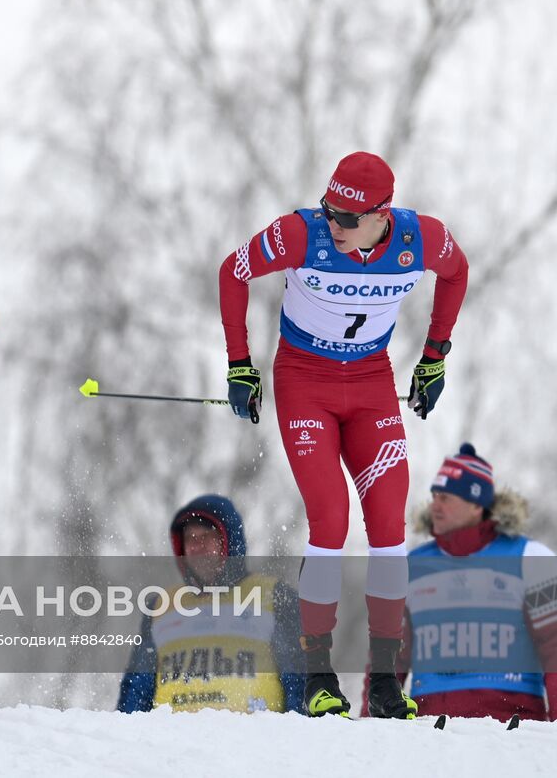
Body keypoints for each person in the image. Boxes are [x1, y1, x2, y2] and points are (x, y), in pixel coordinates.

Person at [218, 151, 469, 718]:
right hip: (305, 383)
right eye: (329, 211)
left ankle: (383, 685)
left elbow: (458, 272)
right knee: (329, 519)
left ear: (384, 215)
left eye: (348, 219)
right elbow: (232, 270)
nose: (334, 225)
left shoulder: (420, 239)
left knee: (388, 524)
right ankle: (317, 677)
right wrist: (239, 363)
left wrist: (434, 357)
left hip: (372, 384)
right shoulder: (300, 234)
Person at [362, 444, 557, 720]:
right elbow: (388, 660)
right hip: (428, 732)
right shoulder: (411, 565)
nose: (435, 505)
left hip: (512, 733)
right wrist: (372, 730)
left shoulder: (531, 558)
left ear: (477, 504)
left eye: (446, 497)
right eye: (434, 496)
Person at [118, 495, 306, 714]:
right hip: (169, 744)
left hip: (254, 743)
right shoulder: (160, 606)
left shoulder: (275, 597)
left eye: (207, 536)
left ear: (229, 541)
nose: (198, 547)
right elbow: (136, 693)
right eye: (190, 539)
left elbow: (301, 683)